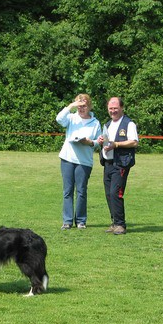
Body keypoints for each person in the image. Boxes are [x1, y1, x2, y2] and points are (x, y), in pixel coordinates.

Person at [56, 94, 102, 230]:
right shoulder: (71, 118)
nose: (81, 108)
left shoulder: (95, 123)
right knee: (67, 191)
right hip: (68, 158)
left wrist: (89, 142)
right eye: (79, 106)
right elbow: (59, 119)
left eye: (84, 106)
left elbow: (98, 143)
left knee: (81, 191)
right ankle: (67, 221)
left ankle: (81, 221)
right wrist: (70, 106)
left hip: (84, 161)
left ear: (89, 106)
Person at [98, 97, 139, 235]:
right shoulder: (108, 124)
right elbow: (107, 142)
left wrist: (116, 144)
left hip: (121, 163)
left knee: (116, 193)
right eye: (110, 108)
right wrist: (101, 141)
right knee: (109, 194)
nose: (113, 111)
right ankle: (114, 222)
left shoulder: (129, 124)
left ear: (122, 108)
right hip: (108, 163)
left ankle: (120, 225)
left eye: (115, 108)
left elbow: (134, 142)